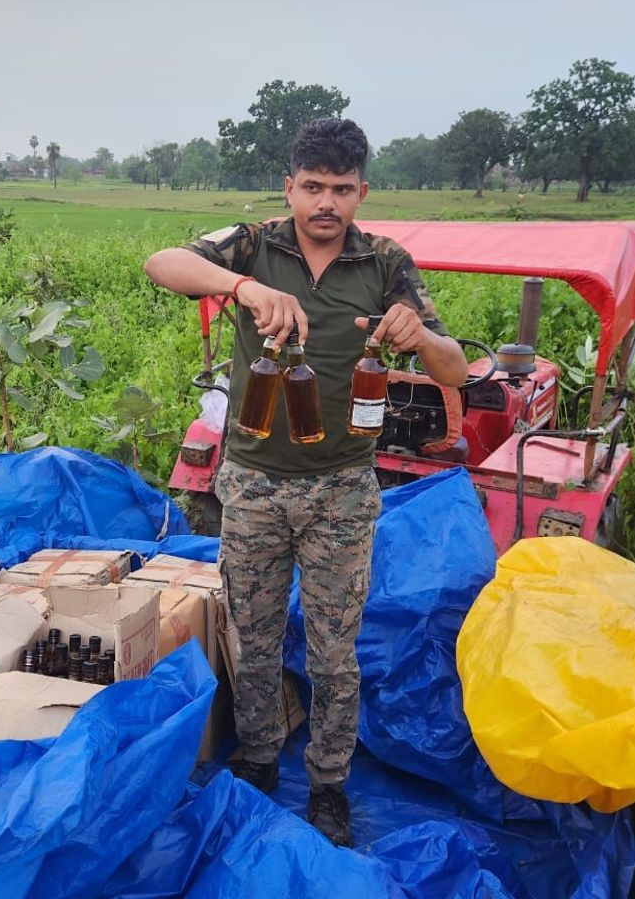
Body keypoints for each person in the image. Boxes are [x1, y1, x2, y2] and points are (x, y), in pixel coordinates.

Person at [144, 118, 467, 846]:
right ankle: (259, 759)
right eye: (312, 187)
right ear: (289, 187)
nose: (326, 202)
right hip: (254, 483)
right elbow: (161, 263)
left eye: (342, 190)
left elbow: (456, 370)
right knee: (253, 636)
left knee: (333, 650)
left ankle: (327, 783)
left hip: (342, 489)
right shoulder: (254, 243)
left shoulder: (386, 263)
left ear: (362, 193)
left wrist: (423, 337)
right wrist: (244, 288)